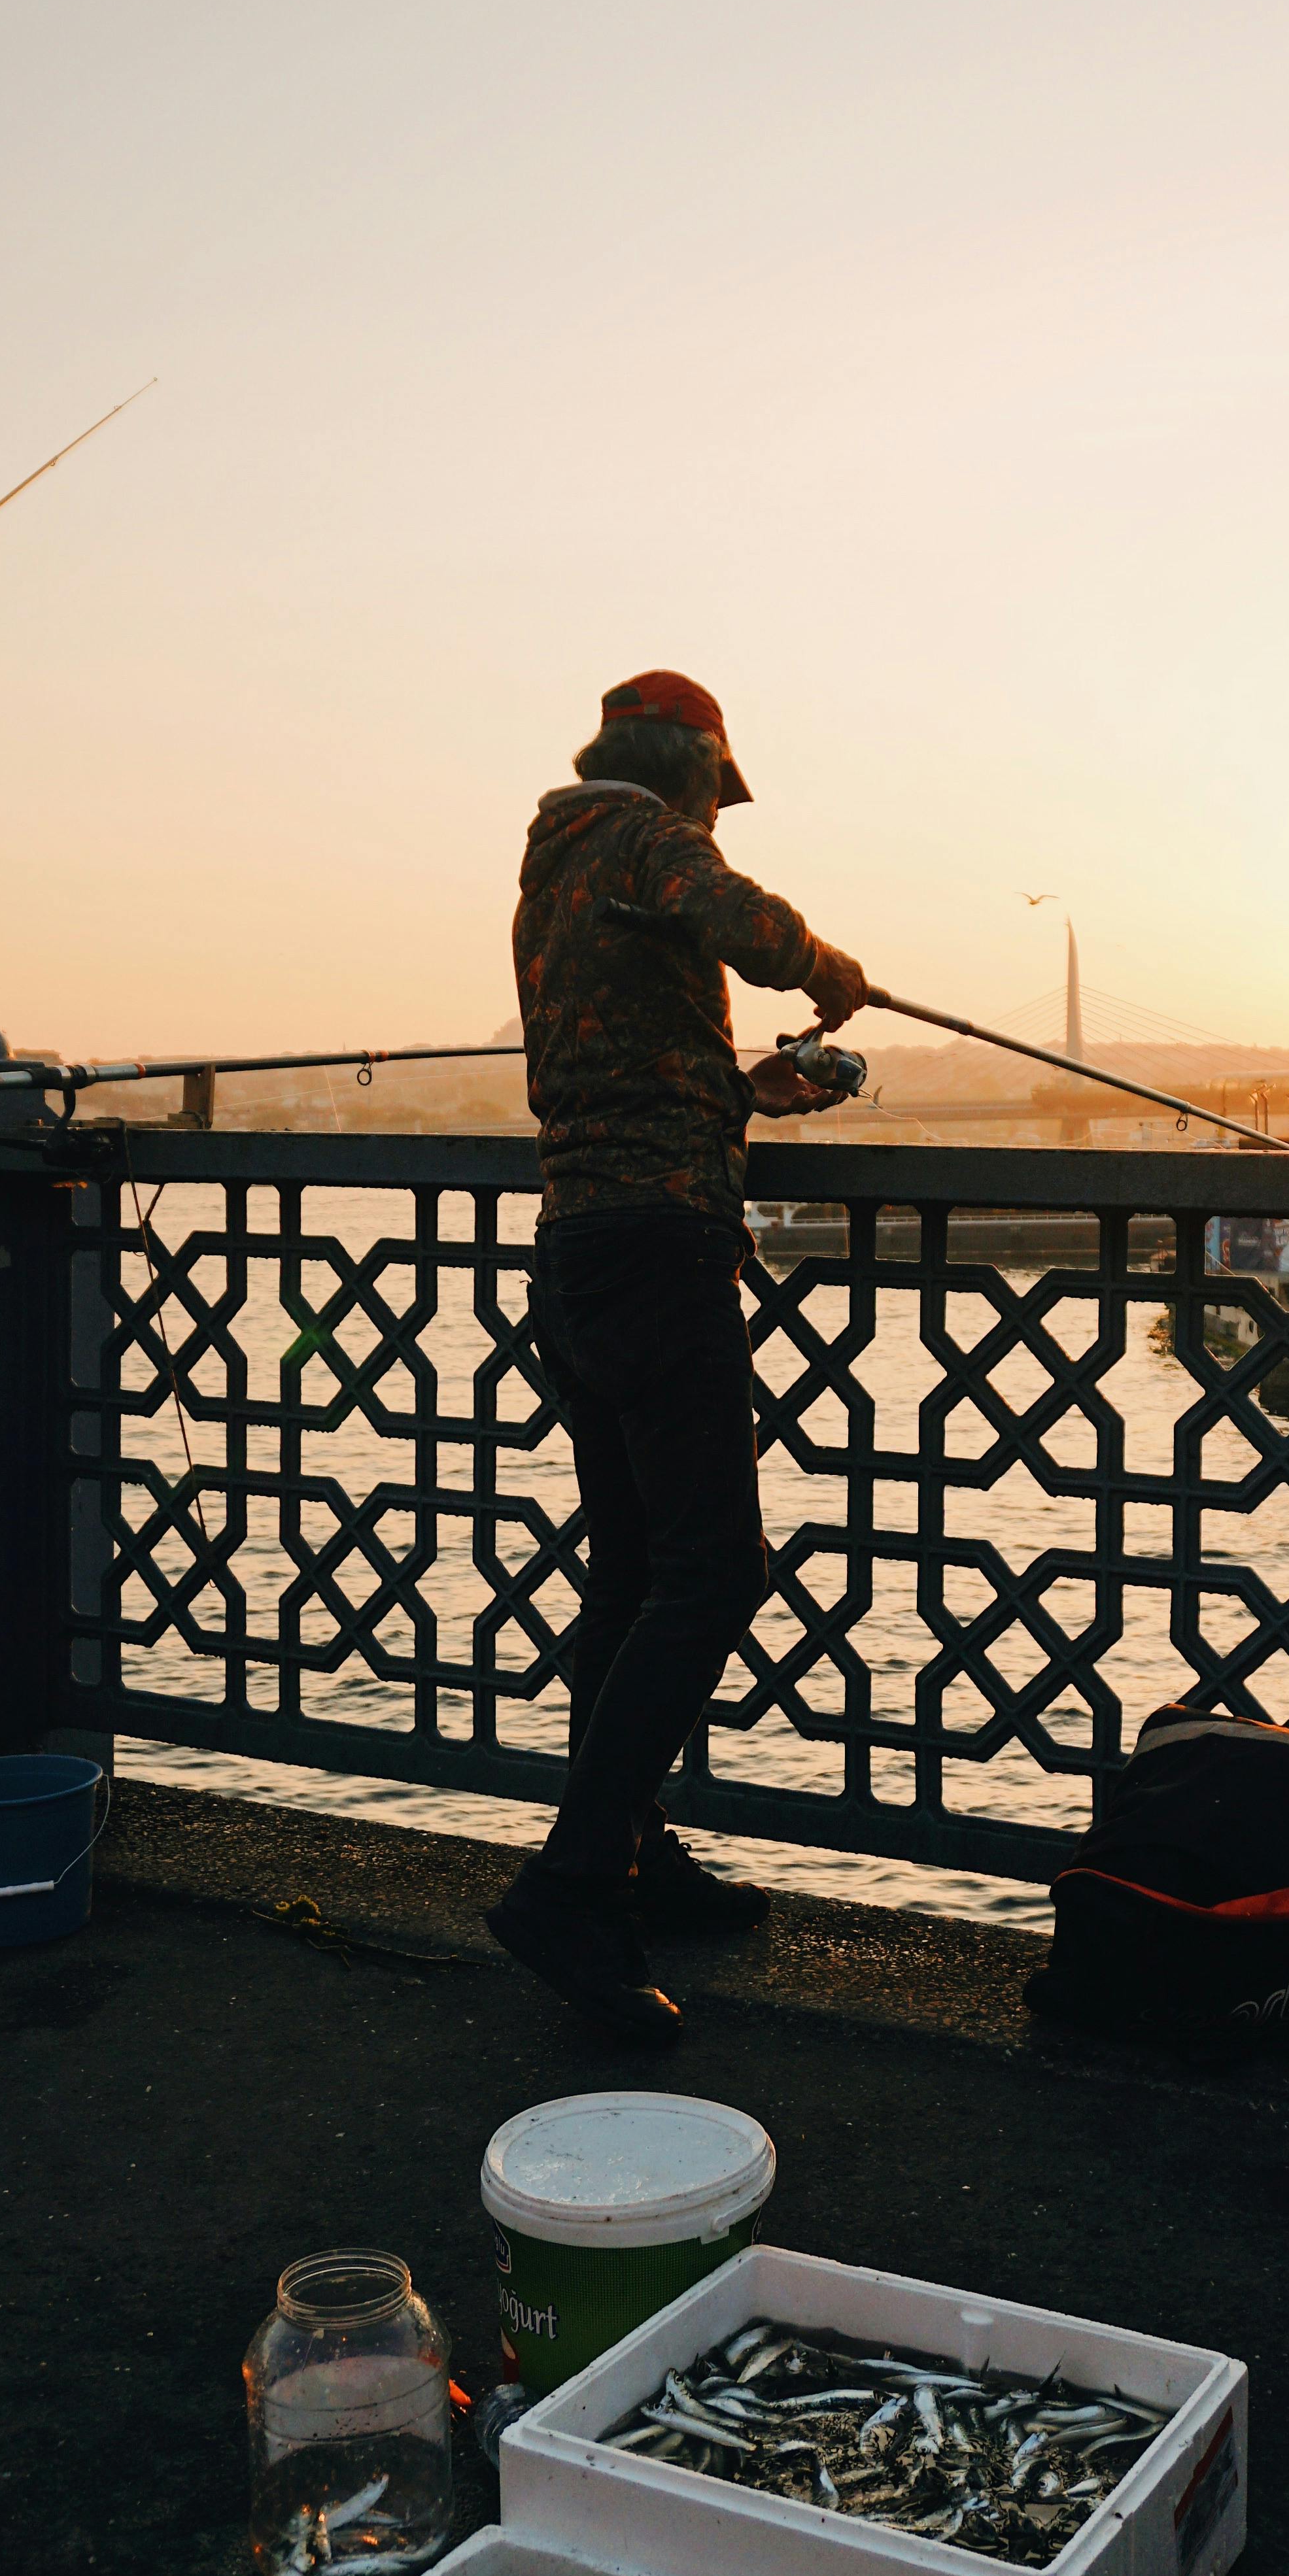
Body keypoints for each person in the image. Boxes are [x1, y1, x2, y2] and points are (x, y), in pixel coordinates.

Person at [493, 672, 865, 2041]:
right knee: (715, 1571)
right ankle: (572, 1885)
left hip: (583, 1244)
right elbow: (748, 929)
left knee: (636, 1568)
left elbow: (624, 1061)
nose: (718, 805)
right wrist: (830, 972)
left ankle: (633, 1849)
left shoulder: (554, 868)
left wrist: (744, 1091)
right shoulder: (645, 835)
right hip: (656, 1256)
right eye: (718, 783)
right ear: (688, 765)